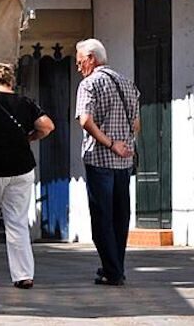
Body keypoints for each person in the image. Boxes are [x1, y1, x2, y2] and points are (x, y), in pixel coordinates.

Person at [0, 63, 54, 289]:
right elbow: (47, 126)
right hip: (21, 167)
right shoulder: (25, 102)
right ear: (10, 80)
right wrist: (30, 137)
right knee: (17, 222)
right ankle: (23, 275)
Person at [75, 38, 139, 286]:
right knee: (120, 217)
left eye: (80, 61)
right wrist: (124, 144)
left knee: (102, 217)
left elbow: (85, 120)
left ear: (91, 58)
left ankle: (113, 271)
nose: (79, 67)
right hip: (124, 162)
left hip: (100, 159)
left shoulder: (89, 84)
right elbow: (136, 123)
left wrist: (111, 143)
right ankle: (115, 267)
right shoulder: (127, 83)